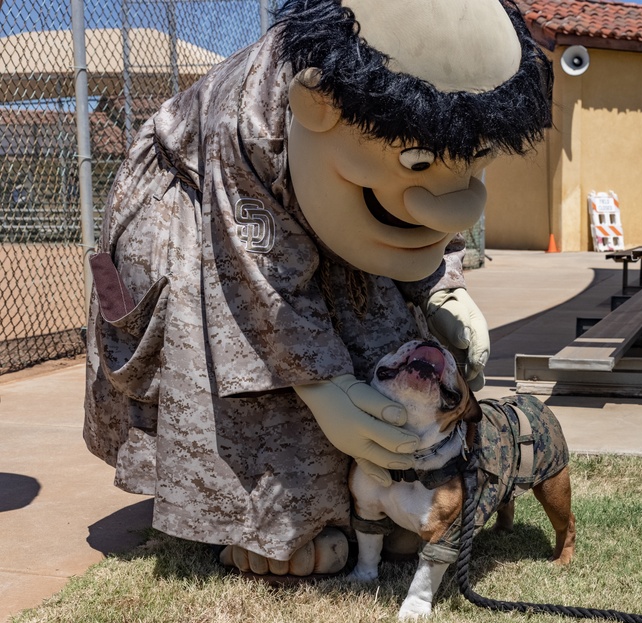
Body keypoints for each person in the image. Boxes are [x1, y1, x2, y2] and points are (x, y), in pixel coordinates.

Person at [83, 0, 553, 577]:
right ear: (317, 105)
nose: (461, 196)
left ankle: (382, 507)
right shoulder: (244, 125)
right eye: (419, 158)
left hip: (324, 211)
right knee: (254, 357)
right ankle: (264, 519)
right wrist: (322, 386)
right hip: (204, 219)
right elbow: (261, 283)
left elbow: (432, 205)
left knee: (383, 340)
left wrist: (441, 286)